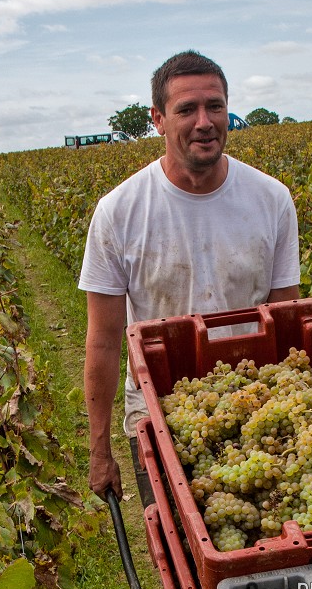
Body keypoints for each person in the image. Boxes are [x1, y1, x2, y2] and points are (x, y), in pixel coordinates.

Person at [79, 49, 300, 500]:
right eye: (187, 109)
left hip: (252, 408)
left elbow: (285, 319)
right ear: (158, 119)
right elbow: (103, 340)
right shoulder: (119, 212)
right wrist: (99, 451)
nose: (205, 121)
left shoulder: (272, 200)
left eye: (215, 106)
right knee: (179, 555)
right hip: (157, 411)